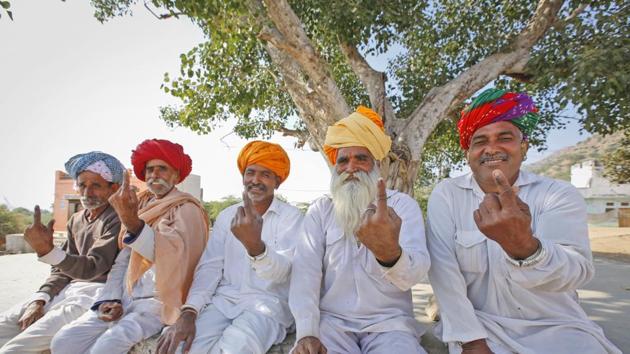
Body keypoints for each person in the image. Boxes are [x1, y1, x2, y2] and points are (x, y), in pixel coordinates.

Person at [426, 88, 621, 354]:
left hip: (557, 328)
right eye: (480, 141)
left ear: (524, 147)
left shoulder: (557, 194)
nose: (491, 148)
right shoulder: (447, 194)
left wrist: (525, 247)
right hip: (480, 326)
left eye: (504, 138)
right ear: (468, 153)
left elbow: (576, 272)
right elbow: (444, 276)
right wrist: (471, 342)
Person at [290, 106, 430, 354]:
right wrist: (307, 332)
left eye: (360, 159)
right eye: (343, 160)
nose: (350, 167)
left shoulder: (402, 206)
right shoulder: (320, 211)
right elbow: (305, 276)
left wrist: (390, 254)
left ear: (376, 165)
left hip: (391, 326)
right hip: (331, 325)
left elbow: (415, 275)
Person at [51, 139, 209, 354]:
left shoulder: (186, 209)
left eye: (162, 168)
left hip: (158, 302)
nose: (154, 174)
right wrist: (110, 298)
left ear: (176, 174)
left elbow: (171, 256)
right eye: (150, 169)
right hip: (124, 297)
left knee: (105, 348)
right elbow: (123, 260)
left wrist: (133, 223)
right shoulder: (139, 202)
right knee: (63, 341)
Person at [157, 140, 302, 354]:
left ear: (277, 182)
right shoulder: (227, 216)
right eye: (250, 172)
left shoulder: (292, 218)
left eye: (265, 174)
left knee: (235, 349)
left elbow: (285, 274)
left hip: (268, 306)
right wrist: (189, 311)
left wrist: (256, 248)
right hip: (224, 301)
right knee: (178, 346)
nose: (255, 180)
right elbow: (210, 268)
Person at [0, 152, 124, 353]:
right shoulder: (75, 219)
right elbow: (60, 270)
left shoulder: (117, 219)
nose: (87, 192)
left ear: (114, 188)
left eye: (96, 185)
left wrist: (48, 251)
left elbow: (92, 268)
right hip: (65, 291)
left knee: (13, 350)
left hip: (93, 296)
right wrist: (41, 299)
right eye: (82, 185)